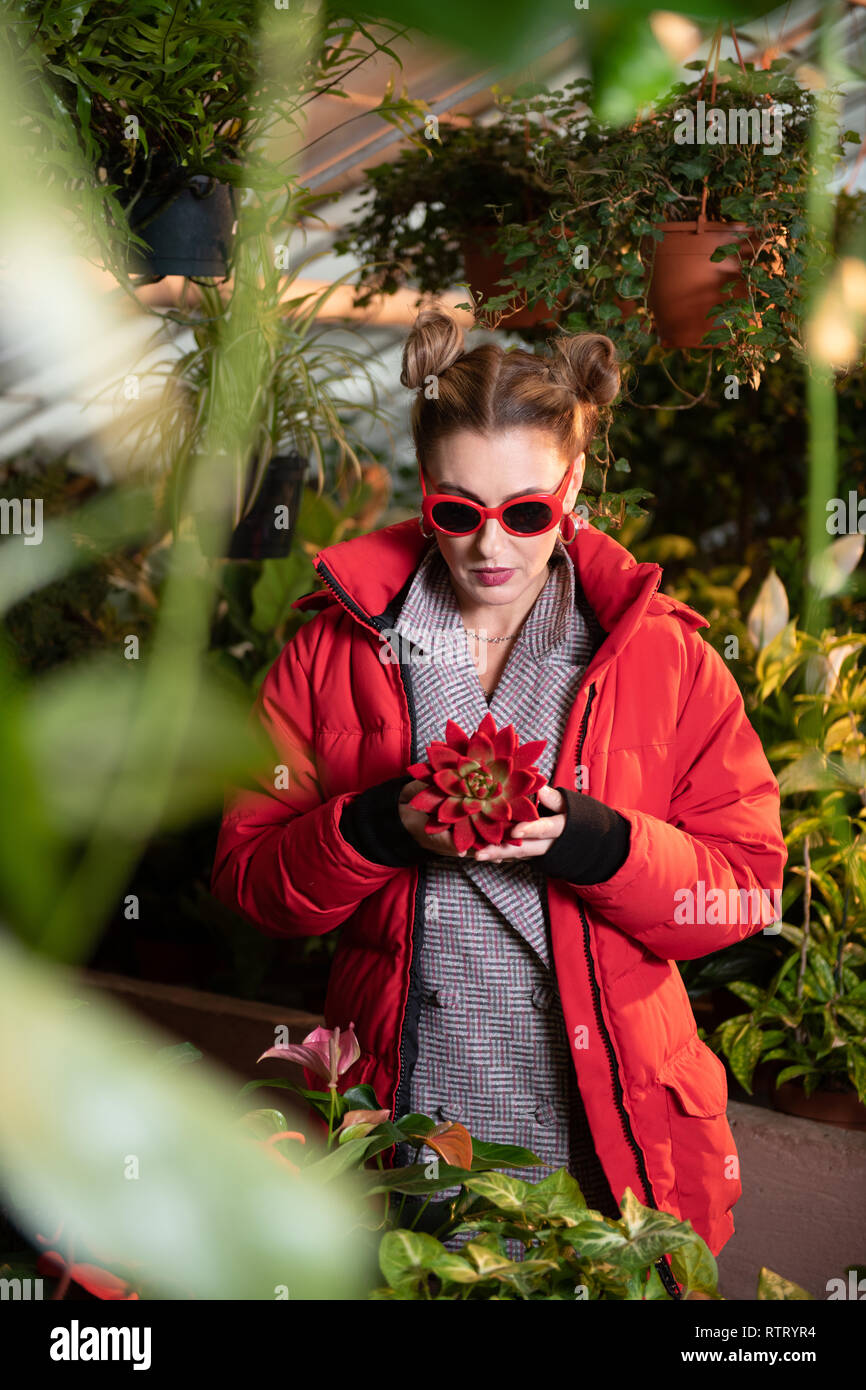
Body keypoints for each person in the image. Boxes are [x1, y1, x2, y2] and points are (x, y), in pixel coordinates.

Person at [210, 307, 787, 1290]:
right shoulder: (329, 648)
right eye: (455, 511)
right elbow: (249, 883)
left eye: (524, 513)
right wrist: (370, 824)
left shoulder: (664, 655)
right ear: (424, 489)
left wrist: (604, 846)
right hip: (403, 1123)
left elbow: (742, 891)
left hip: (600, 1137)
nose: (488, 546)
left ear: (571, 486)